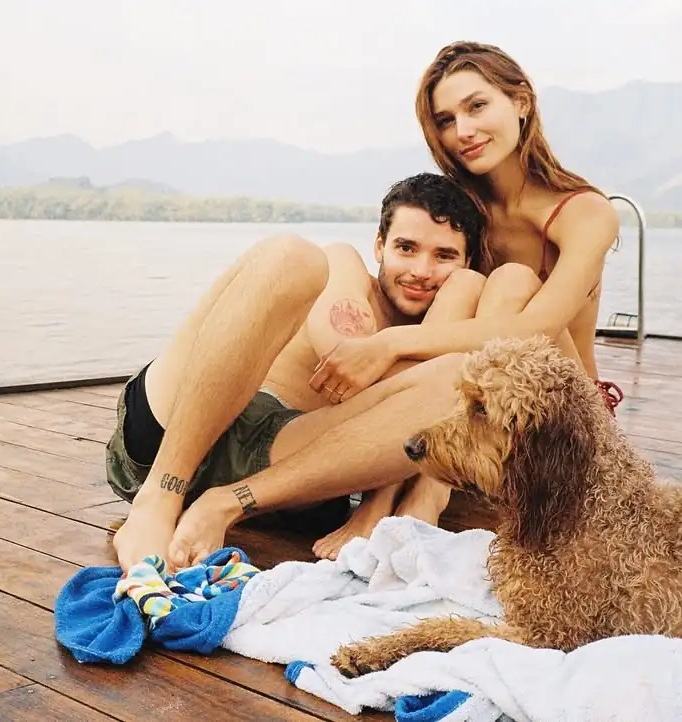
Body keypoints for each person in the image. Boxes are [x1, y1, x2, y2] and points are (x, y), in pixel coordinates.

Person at [307, 40, 627, 551]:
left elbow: (537, 328)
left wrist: (389, 344)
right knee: (462, 282)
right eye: (446, 119)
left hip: (563, 410)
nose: (463, 131)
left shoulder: (586, 213)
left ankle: (428, 490)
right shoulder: (467, 209)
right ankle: (381, 497)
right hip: (485, 411)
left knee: (514, 280)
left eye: (477, 106)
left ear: (521, 102)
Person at [106, 172, 491, 572]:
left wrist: (449, 313)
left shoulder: (439, 338)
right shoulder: (347, 266)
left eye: (444, 256)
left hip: (276, 459)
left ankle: (222, 505)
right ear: (380, 245)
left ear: (466, 263)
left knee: (459, 382)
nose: (421, 270)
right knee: (293, 257)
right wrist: (446, 324)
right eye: (406, 248)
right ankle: (160, 498)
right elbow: (342, 349)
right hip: (176, 426)